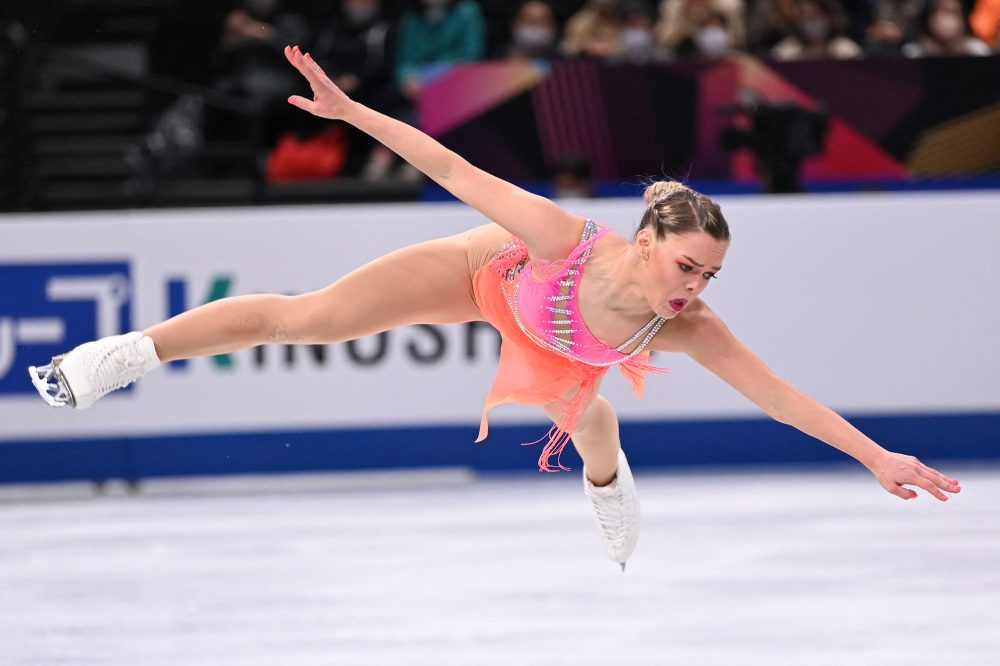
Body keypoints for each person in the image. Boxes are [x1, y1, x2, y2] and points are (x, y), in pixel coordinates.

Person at [28, 45, 962, 570]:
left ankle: (611, 487)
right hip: (485, 279)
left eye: (708, 277)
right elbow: (450, 167)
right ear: (644, 241)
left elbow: (781, 397)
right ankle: (120, 357)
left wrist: (879, 457)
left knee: (591, 425)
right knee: (302, 317)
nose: (693, 287)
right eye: (685, 265)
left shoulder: (687, 325)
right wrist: (352, 114)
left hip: (567, 350)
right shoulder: (563, 236)